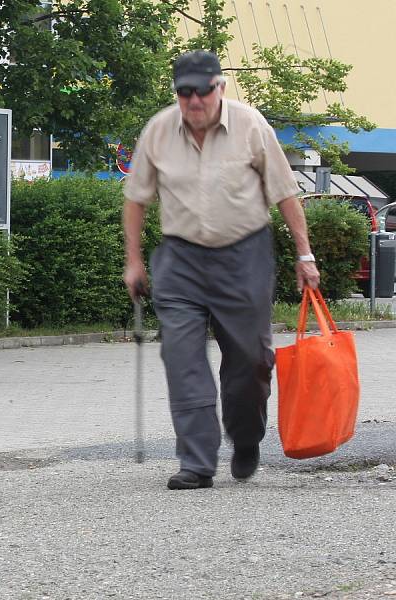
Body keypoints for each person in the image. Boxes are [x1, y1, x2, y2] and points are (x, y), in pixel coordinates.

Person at [122, 50, 321, 490]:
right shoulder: (158, 130)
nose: (194, 100)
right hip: (180, 259)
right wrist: (133, 260)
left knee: (250, 360)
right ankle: (197, 461)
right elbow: (136, 199)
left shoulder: (251, 125)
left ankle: (247, 437)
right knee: (182, 357)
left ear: (221, 88)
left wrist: (304, 255)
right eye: (185, 92)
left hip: (244, 255)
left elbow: (286, 193)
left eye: (203, 90)